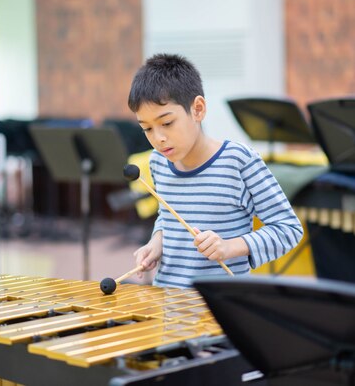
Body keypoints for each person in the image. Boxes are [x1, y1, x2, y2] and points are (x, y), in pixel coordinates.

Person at [128, 53, 303, 288]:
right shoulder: (158, 163)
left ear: (198, 109)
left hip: (220, 304)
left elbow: (288, 229)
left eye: (167, 123)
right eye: (147, 128)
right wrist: (157, 243)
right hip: (169, 302)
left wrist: (229, 247)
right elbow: (168, 217)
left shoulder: (239, 162)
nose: (158, 138)